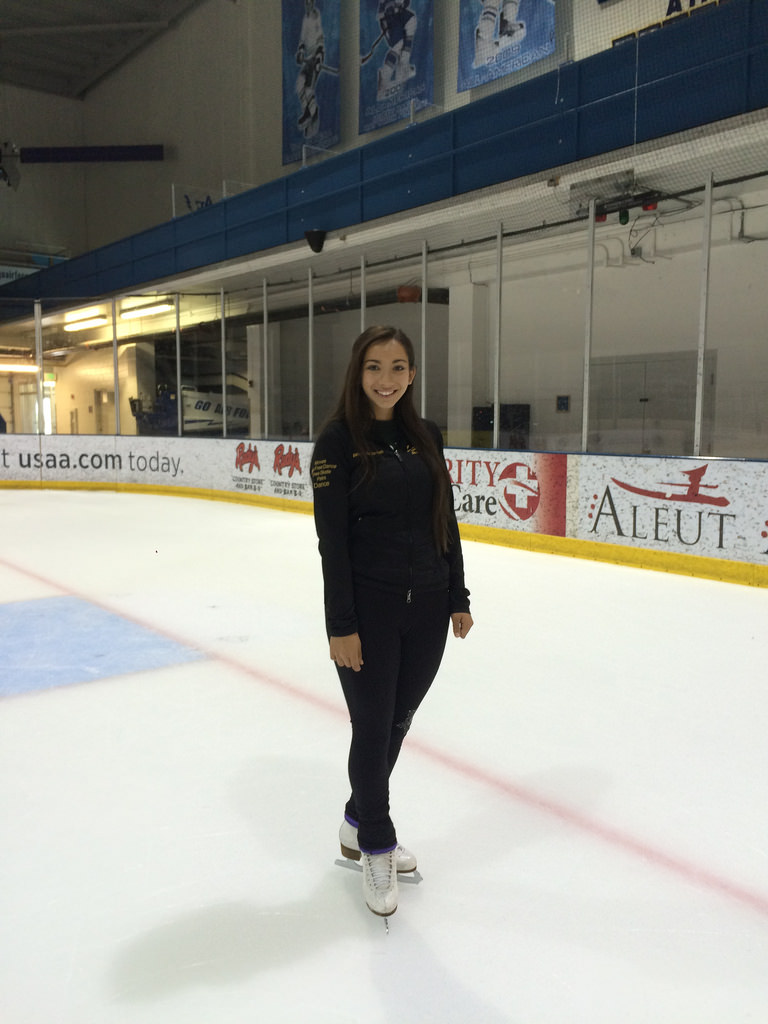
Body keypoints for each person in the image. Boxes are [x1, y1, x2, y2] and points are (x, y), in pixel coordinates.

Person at [310, 325, 473, 917]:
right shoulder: (336, 442)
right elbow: (332, 543)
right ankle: (376, 844)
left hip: (428, 607)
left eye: (399, 367)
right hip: (369, 611)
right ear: (358, 372)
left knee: (398, 722)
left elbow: (445, 519)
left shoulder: (424, 435)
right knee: (373, 728)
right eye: (375, 367)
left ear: (411, 373)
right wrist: (341, 625)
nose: (387, 379)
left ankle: (359, 820)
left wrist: (458, 593)